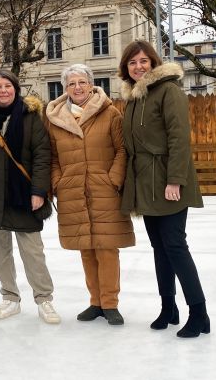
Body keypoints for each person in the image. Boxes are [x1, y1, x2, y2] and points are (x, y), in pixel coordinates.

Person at [118, 40, 210, 338]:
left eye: (144, 61)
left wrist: (176, 180)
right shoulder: (133, 97)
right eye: (133, 62)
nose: (139, 67)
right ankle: (168, 308)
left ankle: (199, 313)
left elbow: (179, 138)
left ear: (153, 62)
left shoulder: (169, 91)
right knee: (160, 248)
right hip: (144, 182)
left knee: (175, 246)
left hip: (168, 180)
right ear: (126, 68)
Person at [0, 70, 60, 324]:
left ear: (16, 89)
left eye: (8, 86)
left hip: (23, 194)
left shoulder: (30, 117)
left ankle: (44, 299)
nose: (3, 90)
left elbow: (42, 156)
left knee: (33, 251)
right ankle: (10, 297)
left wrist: (39, 191)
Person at [45, 64, 134, 326]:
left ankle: (110, 303)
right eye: (71, 83)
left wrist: (113, 179)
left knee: (107, 248)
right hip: (72, 190)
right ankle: (95, 302)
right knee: (86, 248)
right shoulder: (56, 119)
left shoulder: (110, 114)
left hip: (103, 190)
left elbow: (122, 150)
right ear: (65, 88)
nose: (77, 87)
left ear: (91, 84)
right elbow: (52, 157)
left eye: (82, 82)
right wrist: (58, 182)